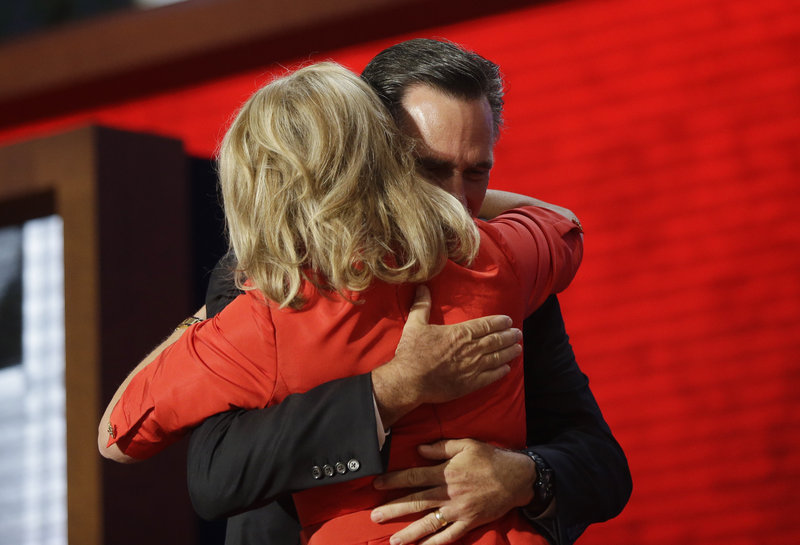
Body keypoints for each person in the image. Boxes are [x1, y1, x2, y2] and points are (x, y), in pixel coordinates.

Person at [99, 61, 584, 545]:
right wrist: (393, 384)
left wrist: (204, 324)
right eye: (428, 170)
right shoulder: (496, 258)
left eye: (475, 172)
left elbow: (118, 435)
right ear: (384, 159)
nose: (458, 196)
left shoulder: (264, 317)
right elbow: (562, 223)